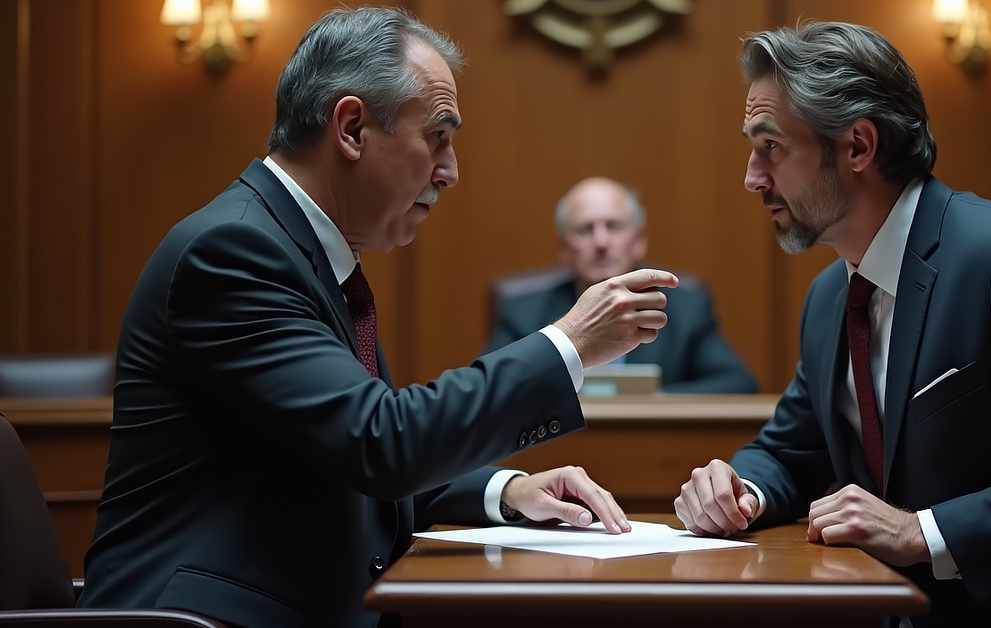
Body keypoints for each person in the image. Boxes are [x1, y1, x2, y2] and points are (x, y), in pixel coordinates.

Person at [78, 8, 678, 628]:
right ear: (353, 128)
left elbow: (338, 453)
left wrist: (506, 491)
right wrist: (570, 342)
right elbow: (378, 444)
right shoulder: (234, 253)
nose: (451, 171)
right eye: (438, 137)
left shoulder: (301, 252)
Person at [673, 22, 991, 627]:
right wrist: (741, 490)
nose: (752, 177)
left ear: (858, 146)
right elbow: (794, 449)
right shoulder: (831, 295)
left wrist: (926, 532)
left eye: (771, 147)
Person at [487, 177, 757, 393]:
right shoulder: (523, 311)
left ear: (639, 241)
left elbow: (737, 383)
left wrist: (651, 405)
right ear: (564, 249)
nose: (601, 242)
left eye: (613, 226)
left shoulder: (686, 307)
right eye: (585, 229)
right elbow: (495, 387)